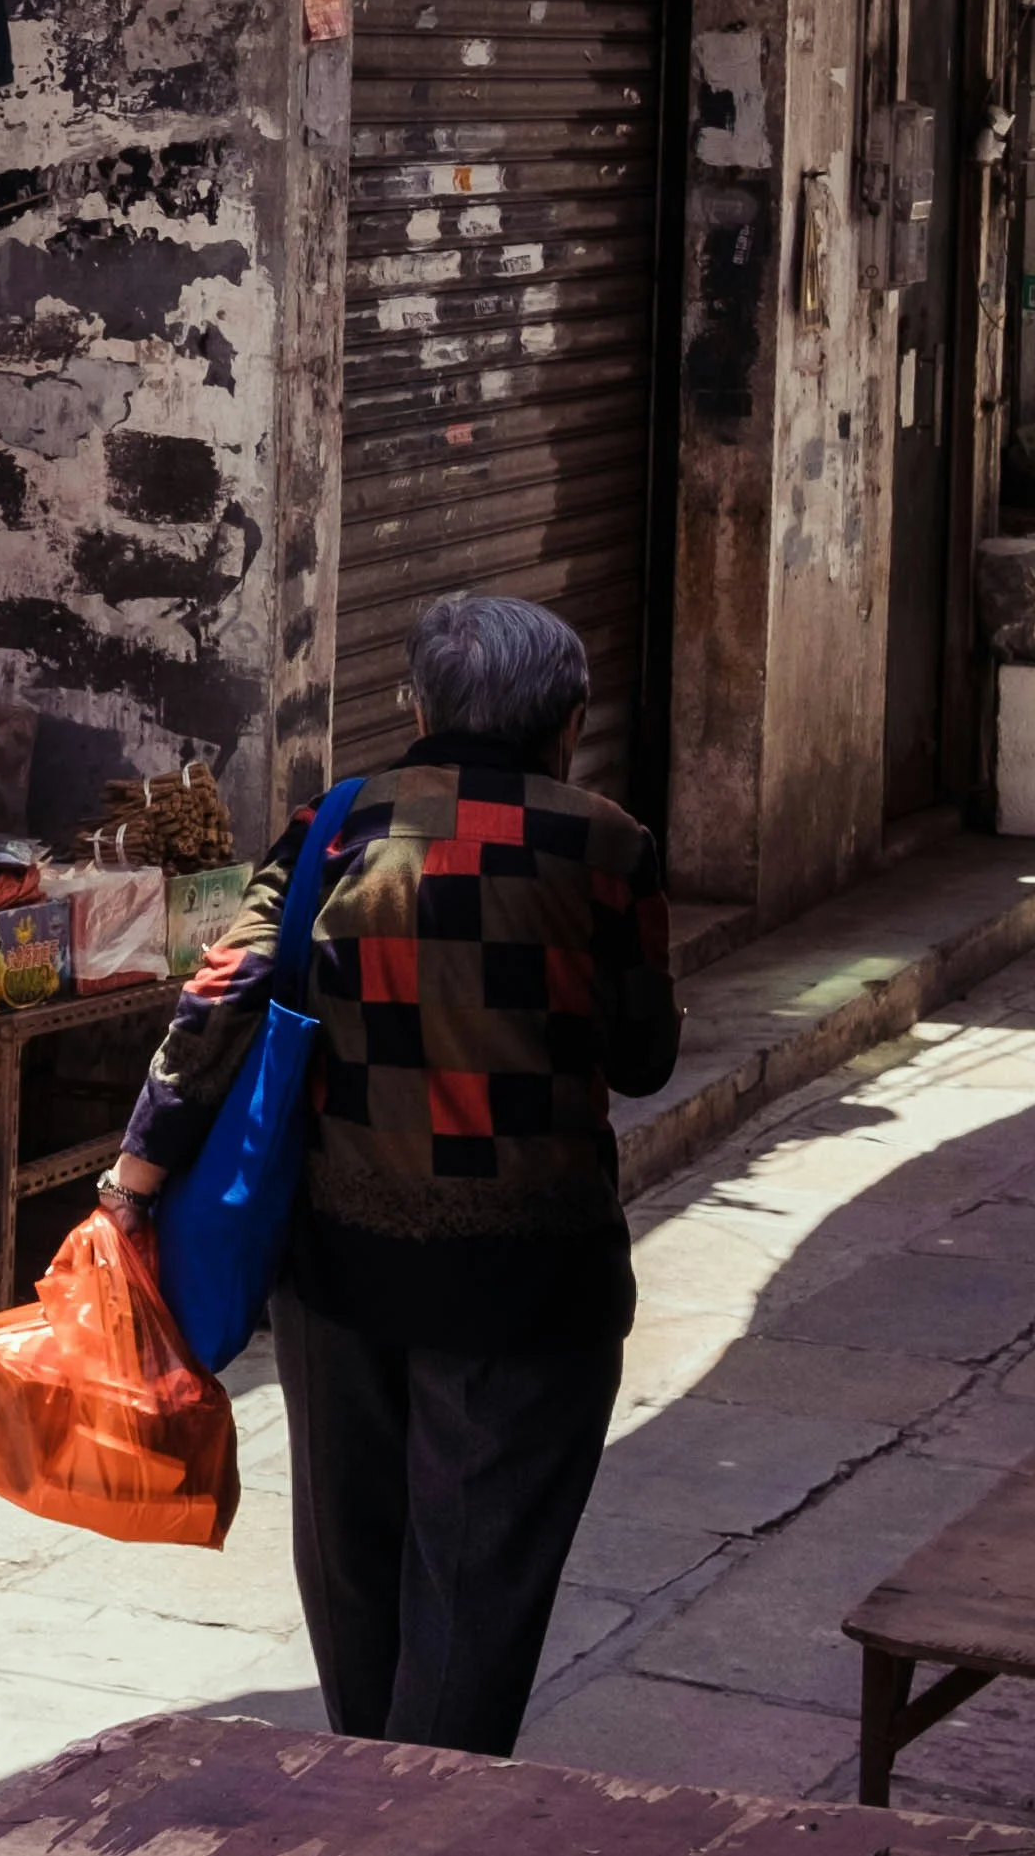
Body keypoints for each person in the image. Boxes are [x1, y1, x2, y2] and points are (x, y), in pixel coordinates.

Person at [98, 593, 677, 1759]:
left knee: (353, 1572)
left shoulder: (334, 825)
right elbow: (646, 1055)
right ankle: (411, 1838)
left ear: (414, 705)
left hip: (343, 1273)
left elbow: (218, 1004)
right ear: (568, 721)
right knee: (477, 1593)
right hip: (531, 1285)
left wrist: (131, 1183)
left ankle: (367, 1803)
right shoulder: (605, 844)